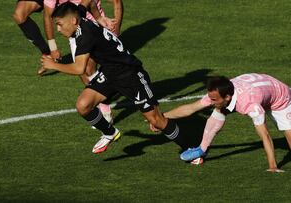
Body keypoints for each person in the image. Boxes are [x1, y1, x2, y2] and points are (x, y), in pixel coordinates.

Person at [40, 2, 182, 154]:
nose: (58, 29)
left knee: (156, 121)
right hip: (110, 72)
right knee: (83, 105)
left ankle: (191, 146)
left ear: (73, 21)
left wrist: (53, 65)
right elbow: (86, 2)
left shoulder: (85, 35)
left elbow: (79, 68)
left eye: (60, 24)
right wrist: (100, 17)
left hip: (129, 74)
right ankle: (109, 133)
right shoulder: (80, 15)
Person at [154, 73, 291, 172]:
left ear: (227, 96)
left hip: (281, 97)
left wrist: (272, 167)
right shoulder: (219, 92)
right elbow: (191, 108)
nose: (211, 102)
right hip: (260, 87)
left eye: (214, 99)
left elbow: (265, 135)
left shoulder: (250, 105)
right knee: (220, 110)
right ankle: (202, 149)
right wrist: (161, 117)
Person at [40, 0, 123, 123]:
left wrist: (99, 18)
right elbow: (47, 14)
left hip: (92, 25)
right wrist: (53, 47)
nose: (58, 30)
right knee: (85, 72)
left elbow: (90, 2)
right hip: (73, 29)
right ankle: (105, 107)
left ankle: (117, 91)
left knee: (103, 66)